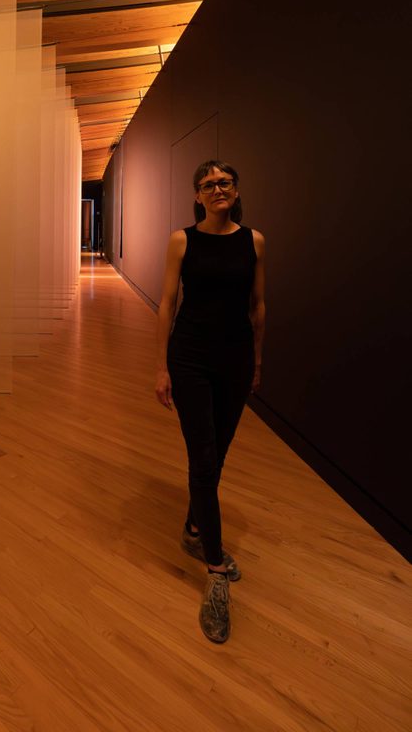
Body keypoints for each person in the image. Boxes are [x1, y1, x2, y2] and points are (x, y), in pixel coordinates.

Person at [155, 160, 265, 643]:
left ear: (236, 190)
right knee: (203, 459)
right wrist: (161, 366)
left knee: (215, 455)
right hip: (191, 359)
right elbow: (167, 303)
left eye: (224, 182)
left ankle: (194, 530)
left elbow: (257, 305)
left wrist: (257, 361)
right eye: (207, 184)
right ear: (197, 196)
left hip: (236, 360)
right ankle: (216, 569)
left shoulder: (254, 241)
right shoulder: (183, 240)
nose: (217, 189)